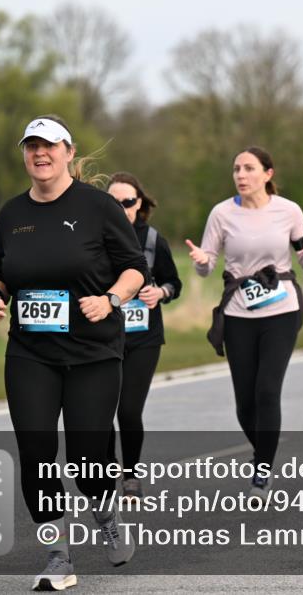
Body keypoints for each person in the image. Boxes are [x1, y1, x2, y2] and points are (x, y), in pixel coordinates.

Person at [0, 116, 149, 591]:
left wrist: (111, 299)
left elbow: (134, 268)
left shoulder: (98, 207)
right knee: (35, 452)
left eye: (49, 145)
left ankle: (105, 511)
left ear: (69, 153)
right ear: (24, 153)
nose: (40, 153)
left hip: (93, 353)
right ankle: (58, 556)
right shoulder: (12, 214)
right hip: (30, 353)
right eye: (32, 146)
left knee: (86, 457)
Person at [187, 146, 303, 497]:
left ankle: (262, 470)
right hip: (238, 314)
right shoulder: (221, 213)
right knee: (245, 404)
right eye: (236, 169)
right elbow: (206, 266)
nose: (241, 175)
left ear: (268, 174)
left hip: (281, 311)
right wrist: (201, 261)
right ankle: (265, 452)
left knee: (267, 391)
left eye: (249, 168)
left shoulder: (288, 210)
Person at [106, 172, 182, 499]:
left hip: (143, 338)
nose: (122, 208)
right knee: (100, 411)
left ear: (139, 204)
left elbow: (174, 282)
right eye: (114, 202)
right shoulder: (94, 237)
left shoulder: (152, 240)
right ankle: (106, 470)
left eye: (128, 202)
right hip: (103, 337)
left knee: (128, 410)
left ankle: (131, 475)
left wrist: (160, 292)